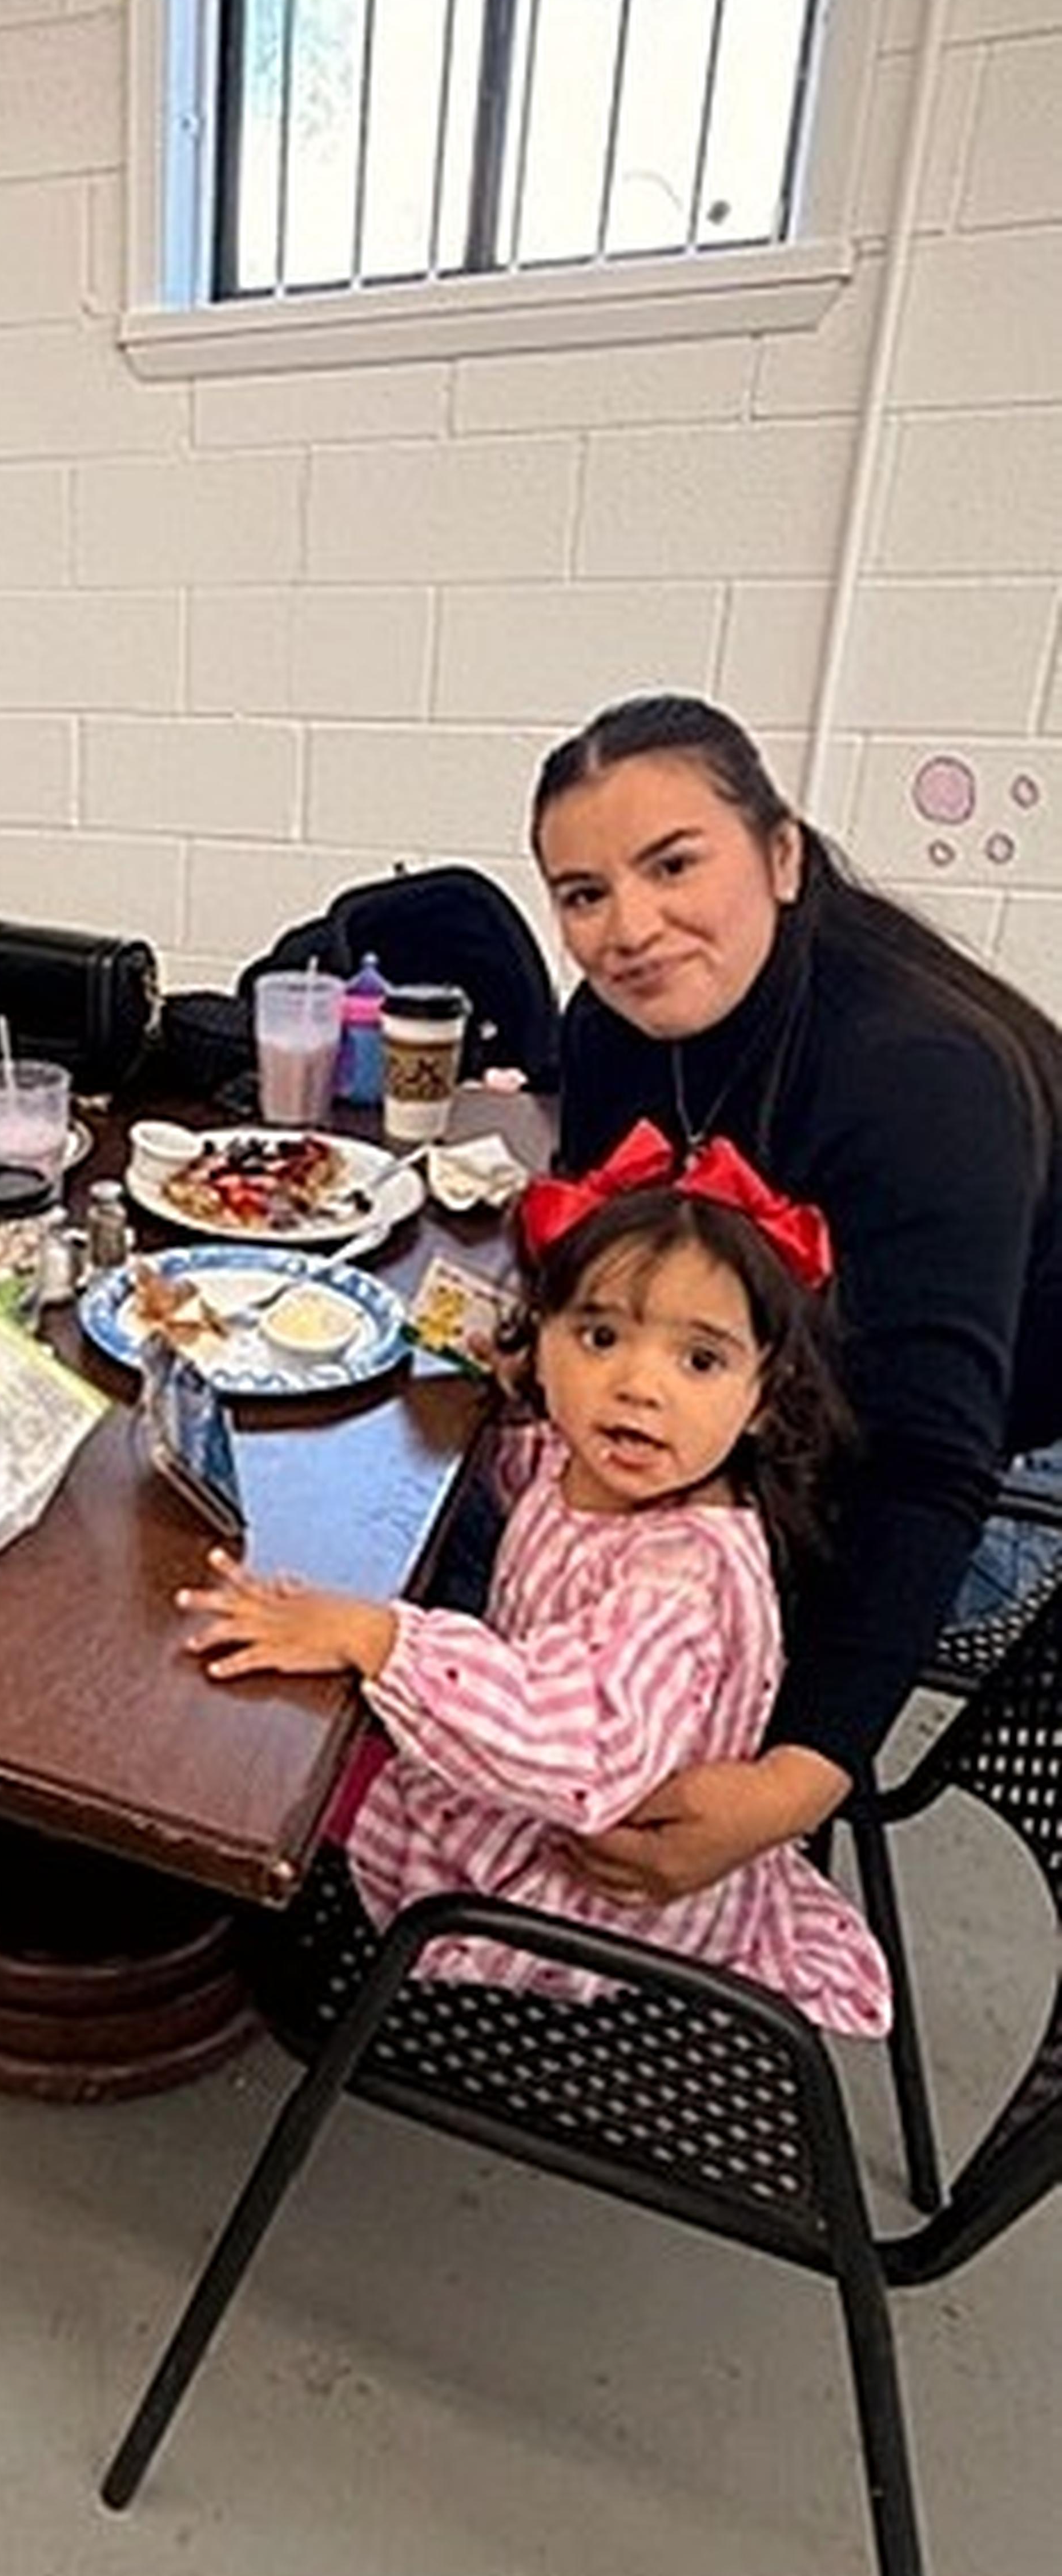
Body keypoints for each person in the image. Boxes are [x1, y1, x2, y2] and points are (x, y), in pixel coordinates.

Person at [531, 693, 1062, 1909]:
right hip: (781, 1391)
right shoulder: (606, 1028)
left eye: (674, 865)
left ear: (781, 856)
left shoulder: (921, 1081)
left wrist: (796, 1780)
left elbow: (923, 1466)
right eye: (584, 893)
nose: (631, 928)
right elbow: (612, 1261)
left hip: (979, 1465)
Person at [177, 1133, 890, 2034]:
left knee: (272, 1757)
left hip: (581, 1890)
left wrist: (375, 1637)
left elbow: (581, 1751)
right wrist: (508, 1389)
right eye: (600, 1337)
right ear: (544, 1340)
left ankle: (194, 1932)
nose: (638, 1386)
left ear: (767, 1396)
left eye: (700, 1360)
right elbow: (539, 1486)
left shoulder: (679, 1587)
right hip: (560, 1815)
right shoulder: (604, 1466)